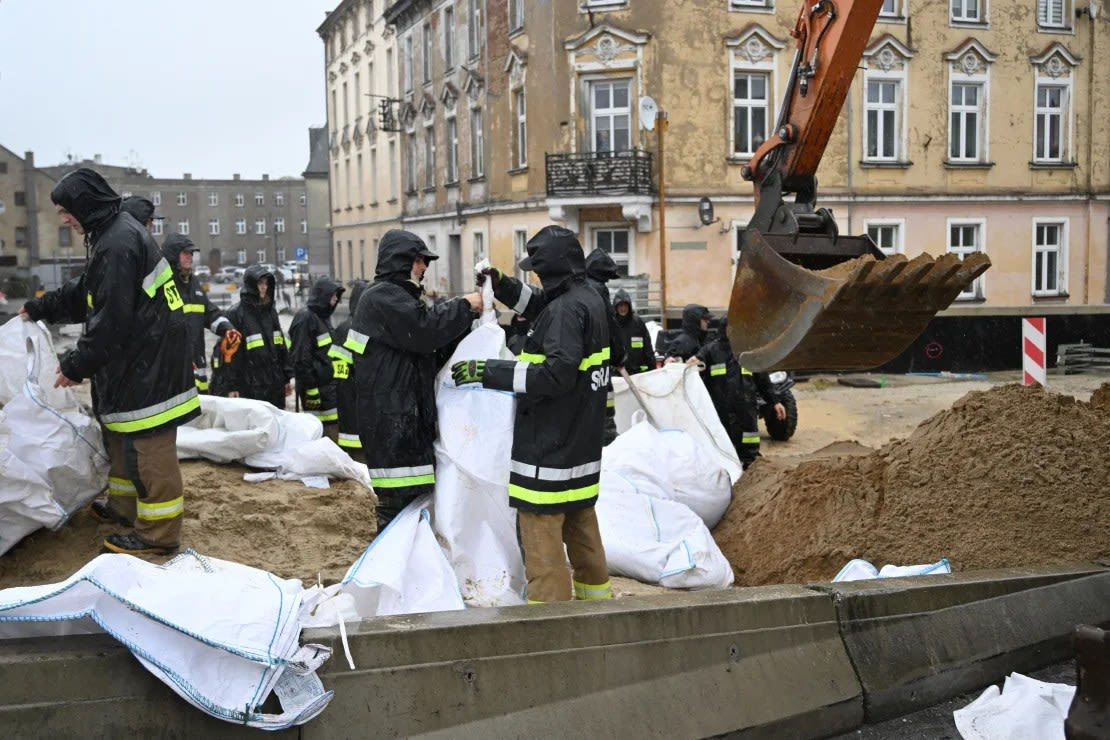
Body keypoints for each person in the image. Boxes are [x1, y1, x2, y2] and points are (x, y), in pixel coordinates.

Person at [19, 168, 198, 556]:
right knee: (122, 437)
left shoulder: (117, 242)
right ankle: (124, 508)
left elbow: (110, 321)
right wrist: (42, 308)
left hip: (150, 362)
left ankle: (159, 535)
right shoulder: (111, 235)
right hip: (141, 359)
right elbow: (89, 291)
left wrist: (75, 364)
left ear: (84, 205)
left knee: (151, 447)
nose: (64, 218)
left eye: (67, 210)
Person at [454, 225, 612, 603]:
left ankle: (549, 628)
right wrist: (502, 284)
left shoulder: (565, 311)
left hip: (547, 453)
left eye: (539, 271)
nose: (537, 278)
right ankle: (599, 611)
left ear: (554, 270)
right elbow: (544, 306)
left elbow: (555, 375)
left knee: (544, 553)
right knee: (583, 534)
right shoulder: (588, 298)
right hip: (580, 452)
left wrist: (488, 371)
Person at [343, 230, 482, 530]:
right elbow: (425, 330)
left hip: (403, 423)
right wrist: (465, 306)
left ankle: (405, 569)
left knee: (412, 508)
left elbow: (427, 349)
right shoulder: (383, 297)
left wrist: (467, 324)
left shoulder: (393, 300)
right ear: (401, 261)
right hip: (394, 426)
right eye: (419, 261)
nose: (424, 269)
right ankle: (388, 569)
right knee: (399, 509)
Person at [696, 318, 784, 469]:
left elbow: (763, 381)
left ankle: (751, 470)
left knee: (749, 443)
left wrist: (775, 401)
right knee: (724, 448)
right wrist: (690, 363)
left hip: (746, 410)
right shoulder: (710, 351)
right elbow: (695, 368)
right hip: (720, 412)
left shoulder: (749, 353)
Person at [161, 234, 237, 393]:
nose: (190, 257)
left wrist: (227, 328)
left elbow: (209, 313)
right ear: (173, 256)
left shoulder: (193, 283)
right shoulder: (164, 286)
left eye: (192, 253)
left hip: (198, 365)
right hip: (173, 371)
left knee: (200, 411)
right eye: (185, 253)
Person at [222, 265, 292, 408]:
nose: (264, 287)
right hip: (250, 387)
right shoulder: (236, 314)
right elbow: (229, 355)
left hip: (275, 385)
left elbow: (281, 346)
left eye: (266, 283)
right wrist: (231, 386)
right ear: (251, 285)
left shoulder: (271, 312)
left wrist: (286, 378)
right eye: (260, 283)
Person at [289, 276, 345, 439]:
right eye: (333, 296)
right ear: (323, 296)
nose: (336, 300)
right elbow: (300, 358)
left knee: (333, 433)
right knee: (322, 435)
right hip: (317, 392)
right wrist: (311, 389)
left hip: (328, 389)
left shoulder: (322, 318)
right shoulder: (306, 318)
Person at [584, 249, 626, 445]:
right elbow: (610, 327)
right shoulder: (598, 290)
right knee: (605, 431)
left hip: (577, 372)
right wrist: (619, 356)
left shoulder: (577, 289)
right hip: (598, 371)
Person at [328, 279, 370, 461]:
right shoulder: (348, 330)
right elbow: (342, 375)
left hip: (355, 405)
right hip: (355, 404)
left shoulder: (349, 328)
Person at [613, 289, 655, 374]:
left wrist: (652, 368)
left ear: (629, 306)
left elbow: (647, 347)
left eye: (625, 305)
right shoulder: (612, 324)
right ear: (616, 307)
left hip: (638, 371)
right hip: (618, 372)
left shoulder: (637, 322)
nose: (623, 308)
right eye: (620, 306)